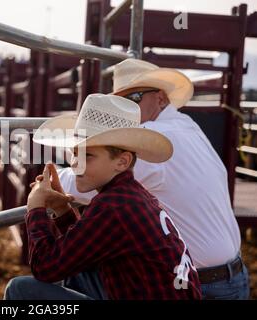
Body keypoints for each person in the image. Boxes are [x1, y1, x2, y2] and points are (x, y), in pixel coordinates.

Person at [57, 59, 250, 300]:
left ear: (160, 98)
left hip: (197, 285)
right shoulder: (187, 125)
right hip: (231, 276)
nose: (126, 108)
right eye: (120, 102)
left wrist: (52, 176)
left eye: (133, 98)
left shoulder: (153, 144)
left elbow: (79, 184)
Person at [4, 94, 201, 300]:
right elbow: (83, 247)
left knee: (20, 290)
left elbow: (45, 267)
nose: (74, 164)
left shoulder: (113, 205)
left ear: (122, 162)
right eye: (74, 153)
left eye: (87, 155)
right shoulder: (131, 195)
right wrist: (62, 211)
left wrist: (35, 209)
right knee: (80, 270)